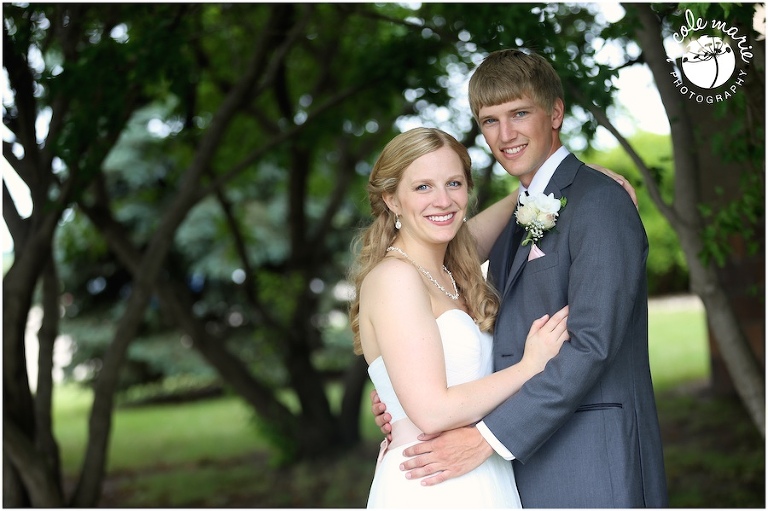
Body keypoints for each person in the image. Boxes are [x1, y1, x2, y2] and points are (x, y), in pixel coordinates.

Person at [373, 49, 668, 508]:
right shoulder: (519, 217)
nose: (505, 134)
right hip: (512, 469)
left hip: (591, 462)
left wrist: (487, 438)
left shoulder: (599, 205)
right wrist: (397, 395)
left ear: (555, 113)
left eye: (519, 113)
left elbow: (592, 345)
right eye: (490, 121)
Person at [350, 126, 572, 508]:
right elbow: (433, 412)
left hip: (479, 472)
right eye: (422, 187)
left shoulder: (450, 268)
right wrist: (530, 366)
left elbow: (513, 205)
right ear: (392, 199)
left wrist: (574, 178)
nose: (443, 200)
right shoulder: (396, 278)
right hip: (434, 483)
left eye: (454, 183)